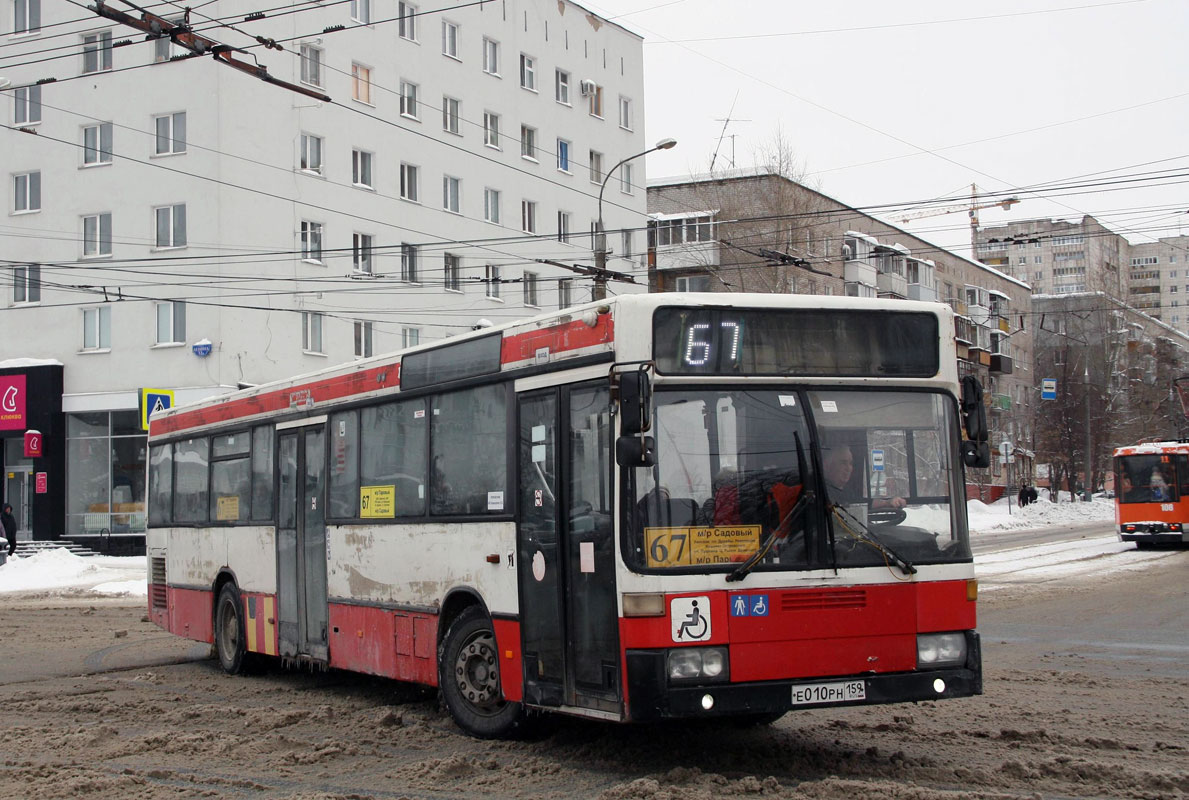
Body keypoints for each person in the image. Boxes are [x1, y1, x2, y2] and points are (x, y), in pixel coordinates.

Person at [821, 444, 906, 510]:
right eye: (843, 463)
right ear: (826, 465)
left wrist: (888, 503)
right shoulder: (822, 491)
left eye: (851, 463)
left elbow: (863, 503)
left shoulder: (846, 491)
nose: (848, 468)